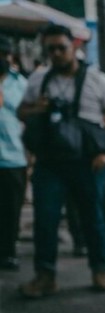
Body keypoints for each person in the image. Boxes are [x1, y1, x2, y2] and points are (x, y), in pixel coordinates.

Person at [17, 24, 105, 297]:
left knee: (94, 219)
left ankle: (99, 270)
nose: (56, 54)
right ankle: (45, 276)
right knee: (45, 219)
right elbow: (21, 112)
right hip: (50, 162)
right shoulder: (38, 80)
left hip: (87, 162)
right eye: (50, 49)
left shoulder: (96, 79)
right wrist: (37, 108)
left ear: (74, 47)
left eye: (61, 48)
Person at [0, 44, 28, 272]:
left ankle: (8, 251)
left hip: (13, 157)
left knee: (11, 210)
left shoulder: (20, 84)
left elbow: (30, 118)